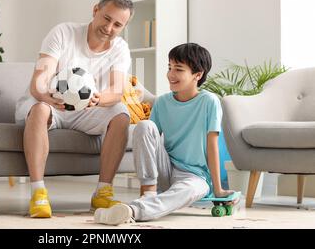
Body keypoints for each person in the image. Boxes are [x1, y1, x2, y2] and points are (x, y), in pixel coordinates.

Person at [15, 0, 133, 218]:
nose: (109, 28)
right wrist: (47, 96)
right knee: (39, 108)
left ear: (123, 27)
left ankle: (103, 194)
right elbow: (39, 79)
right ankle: (38, 193)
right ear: (95, 10)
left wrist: (99, 99)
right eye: (107, 18)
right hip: (52, 103)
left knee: (121, 115)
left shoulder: (120, 48)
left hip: (87, 109)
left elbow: (116, 91)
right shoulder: (63, 32)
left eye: (117, 24)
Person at [94, 43, 237, 225]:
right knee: (145, 125)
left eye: (178, 69)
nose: (171, 74)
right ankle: (148, 192)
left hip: (195, 176)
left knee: (189, 191)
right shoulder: (162, 103)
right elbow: (148, 140)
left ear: (198, 74)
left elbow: (212, 146)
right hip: (165, 168)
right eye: (169, 67)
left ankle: (132, 210)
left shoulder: (209, 102)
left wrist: (218, 189)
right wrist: (148, 181)